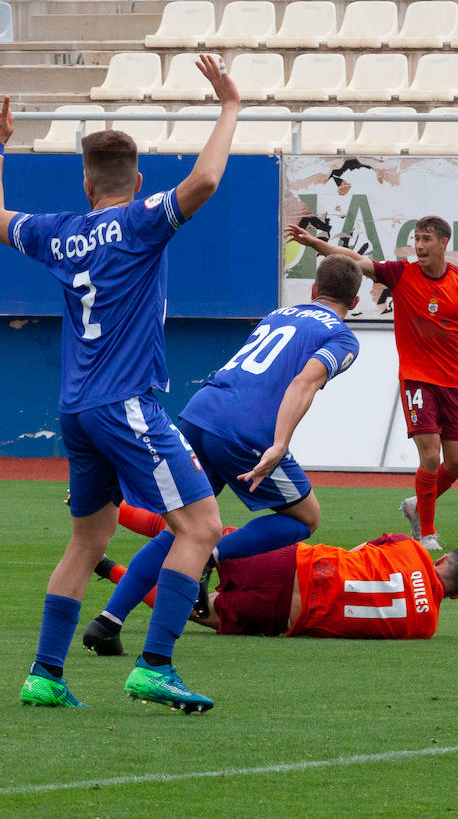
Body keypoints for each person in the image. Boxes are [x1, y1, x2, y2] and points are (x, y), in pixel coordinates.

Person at [0, 54, 240, 712]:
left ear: (87, 186)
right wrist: (229, 105)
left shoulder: (60, 233)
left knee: (88, 539)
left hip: (76, 410)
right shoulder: (146, 220)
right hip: (126, 405)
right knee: (201, 527)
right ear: (137, 180)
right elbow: (205, 178)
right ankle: (155, 665)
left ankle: (44, 674)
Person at [81, 255, 365, 655]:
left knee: (184, 527)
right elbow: (304, 382)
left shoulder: (279, 314)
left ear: (313, 291)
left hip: (201, 411)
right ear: (354, 303)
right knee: (306, 518)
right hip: (243, 429)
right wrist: (279, 443)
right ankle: (214, 555)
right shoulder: (343, 338)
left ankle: (108, 622)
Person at [285, 215, 458, 551]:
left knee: (457, 463)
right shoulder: (401, 274)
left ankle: (415, 504)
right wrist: (315, 245)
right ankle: (426, 533)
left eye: (427, 239)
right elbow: (355, 261)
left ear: (443, 243)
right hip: (416, 380)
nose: (420, 246)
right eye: (417, 239)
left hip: (452, 382)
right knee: (430, 455)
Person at [91, 502, 458, 643]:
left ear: (441, 559)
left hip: (292, 562)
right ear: (457, 595)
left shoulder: (410, 546)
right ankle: (109, 569)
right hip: (286, 614)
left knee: (194, 534)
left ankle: (108, 505)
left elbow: (359, 553)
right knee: (194, 609)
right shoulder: (426, 626)